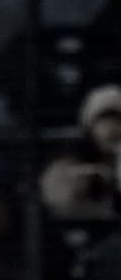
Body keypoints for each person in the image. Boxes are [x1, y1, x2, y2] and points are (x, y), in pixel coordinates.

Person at [38, 83, 121, 225]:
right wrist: (79, 186)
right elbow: (55, 197)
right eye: (103, 120)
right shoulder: (69, 158)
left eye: (117, 120)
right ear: (89, 126)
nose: (110, 128)